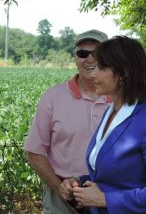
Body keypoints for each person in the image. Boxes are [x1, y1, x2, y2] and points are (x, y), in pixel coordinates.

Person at [23, 29, 111, 214]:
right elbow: (34, 150)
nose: (89, 59)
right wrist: (60, 188)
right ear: (75, 57)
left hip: (109, 194)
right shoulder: (53, 97)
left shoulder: (122, 98)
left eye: (97, 53)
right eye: (82, 53)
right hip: (61, 197)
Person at [60, 36, 146, 214]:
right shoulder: (111, 111)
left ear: (125, 73)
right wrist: (78, 182)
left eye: (101, 67)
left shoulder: (142, 119)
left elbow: (109, 192)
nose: (93, 74)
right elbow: (110, 177)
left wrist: (105, 199)